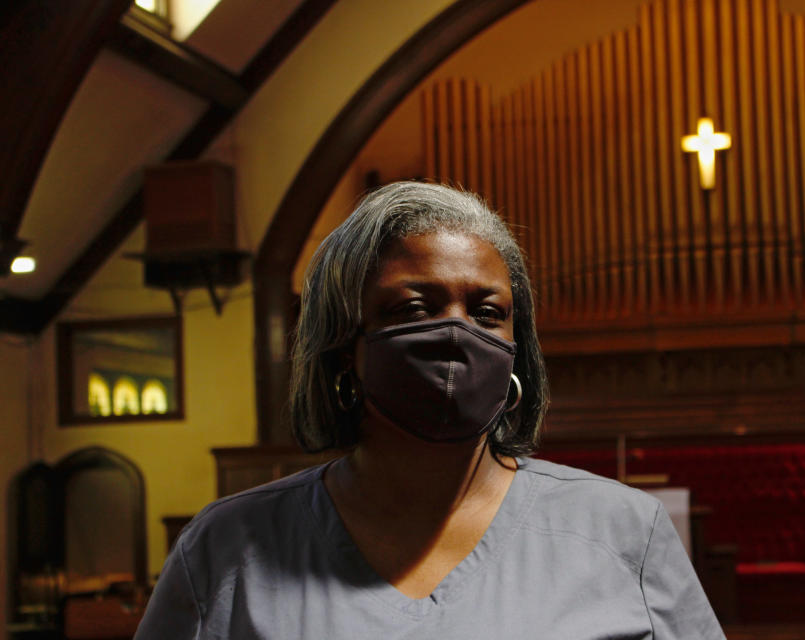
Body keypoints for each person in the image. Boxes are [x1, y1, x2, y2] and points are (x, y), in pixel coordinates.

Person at [134, 182, 724, 639]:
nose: (456, 334)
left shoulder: (623, 531)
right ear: (343, 345)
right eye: (416, 307)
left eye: (487, 313)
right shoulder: (227, 547)